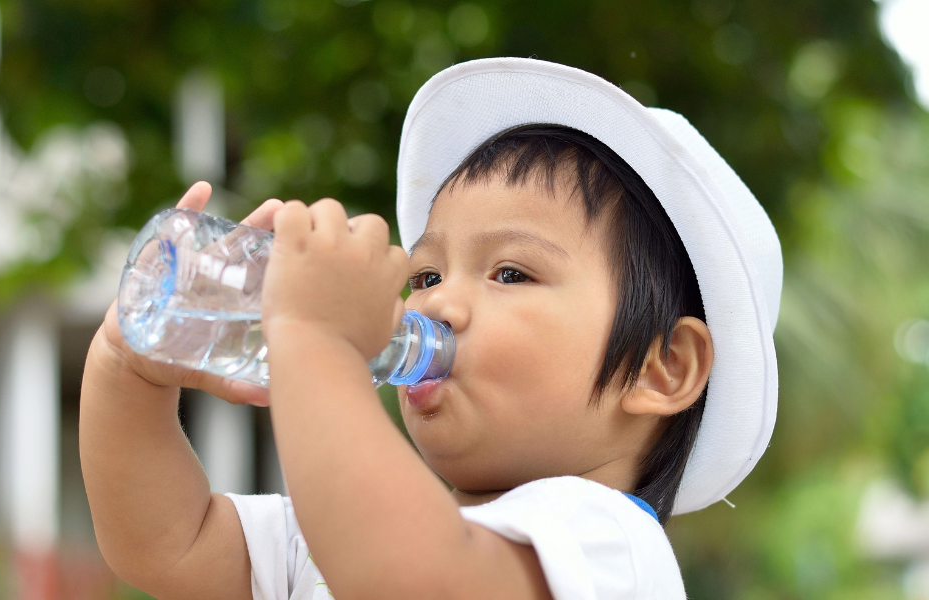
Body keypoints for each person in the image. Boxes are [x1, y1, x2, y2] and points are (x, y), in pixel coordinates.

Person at [79, 57, 782, 599]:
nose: (436, 306)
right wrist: (127, 367)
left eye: (510, 274)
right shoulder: (339, 529)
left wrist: (315, 344)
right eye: (425, 276)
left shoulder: (604, 541)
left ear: (663, 367)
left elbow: (409, 576)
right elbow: (168, 543)